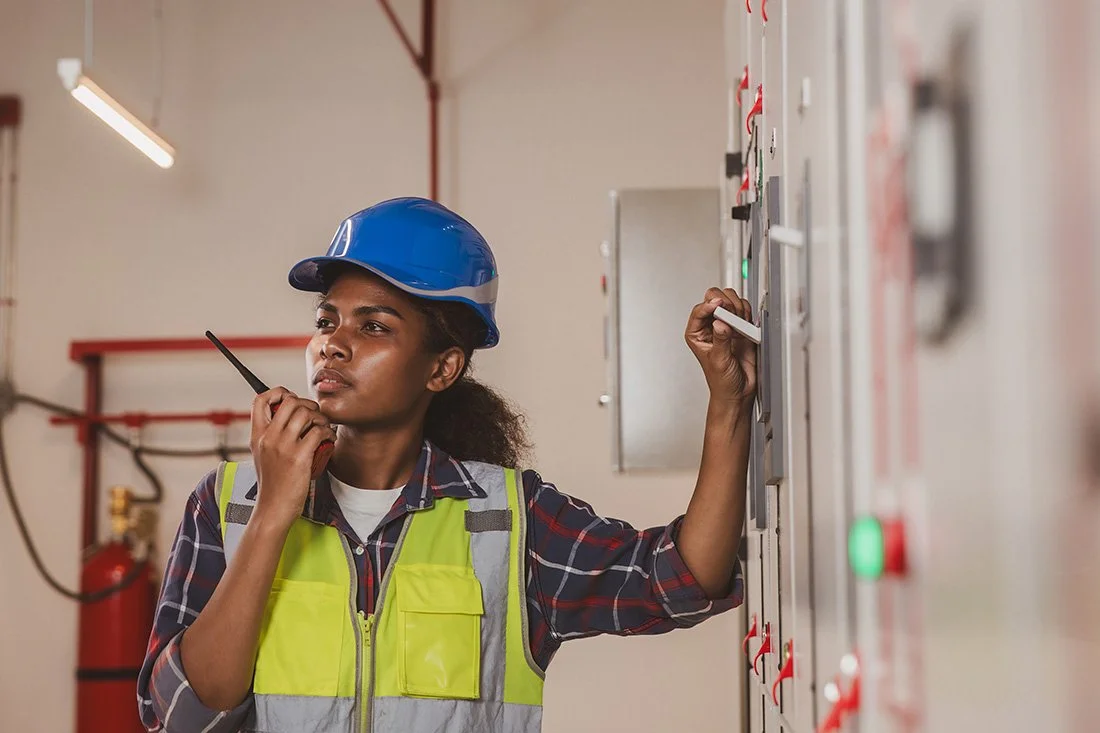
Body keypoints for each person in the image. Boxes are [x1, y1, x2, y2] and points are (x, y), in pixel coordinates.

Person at [136, 197, 756, 733]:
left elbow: (683, 579)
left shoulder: (512, 523)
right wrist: (274, 510)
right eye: (327, 320)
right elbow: (187, 717)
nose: (333, 343)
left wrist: (728, 403)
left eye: (373, 325)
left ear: (442, 368)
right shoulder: (226, 506)